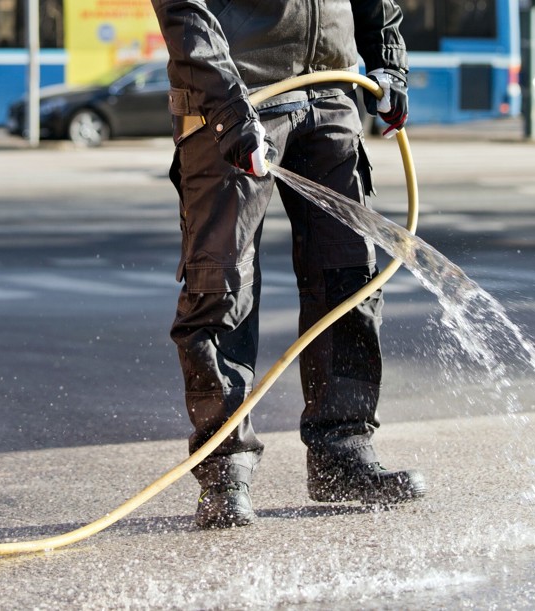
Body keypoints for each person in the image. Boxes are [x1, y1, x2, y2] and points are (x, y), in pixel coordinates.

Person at [151, 0, 427, 529]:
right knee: (221, 282)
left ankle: (342, 454)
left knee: (350, 277)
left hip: (333, 87)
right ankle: (224, 471)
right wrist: (227, 105)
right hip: (236, 94)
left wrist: (388, 64)